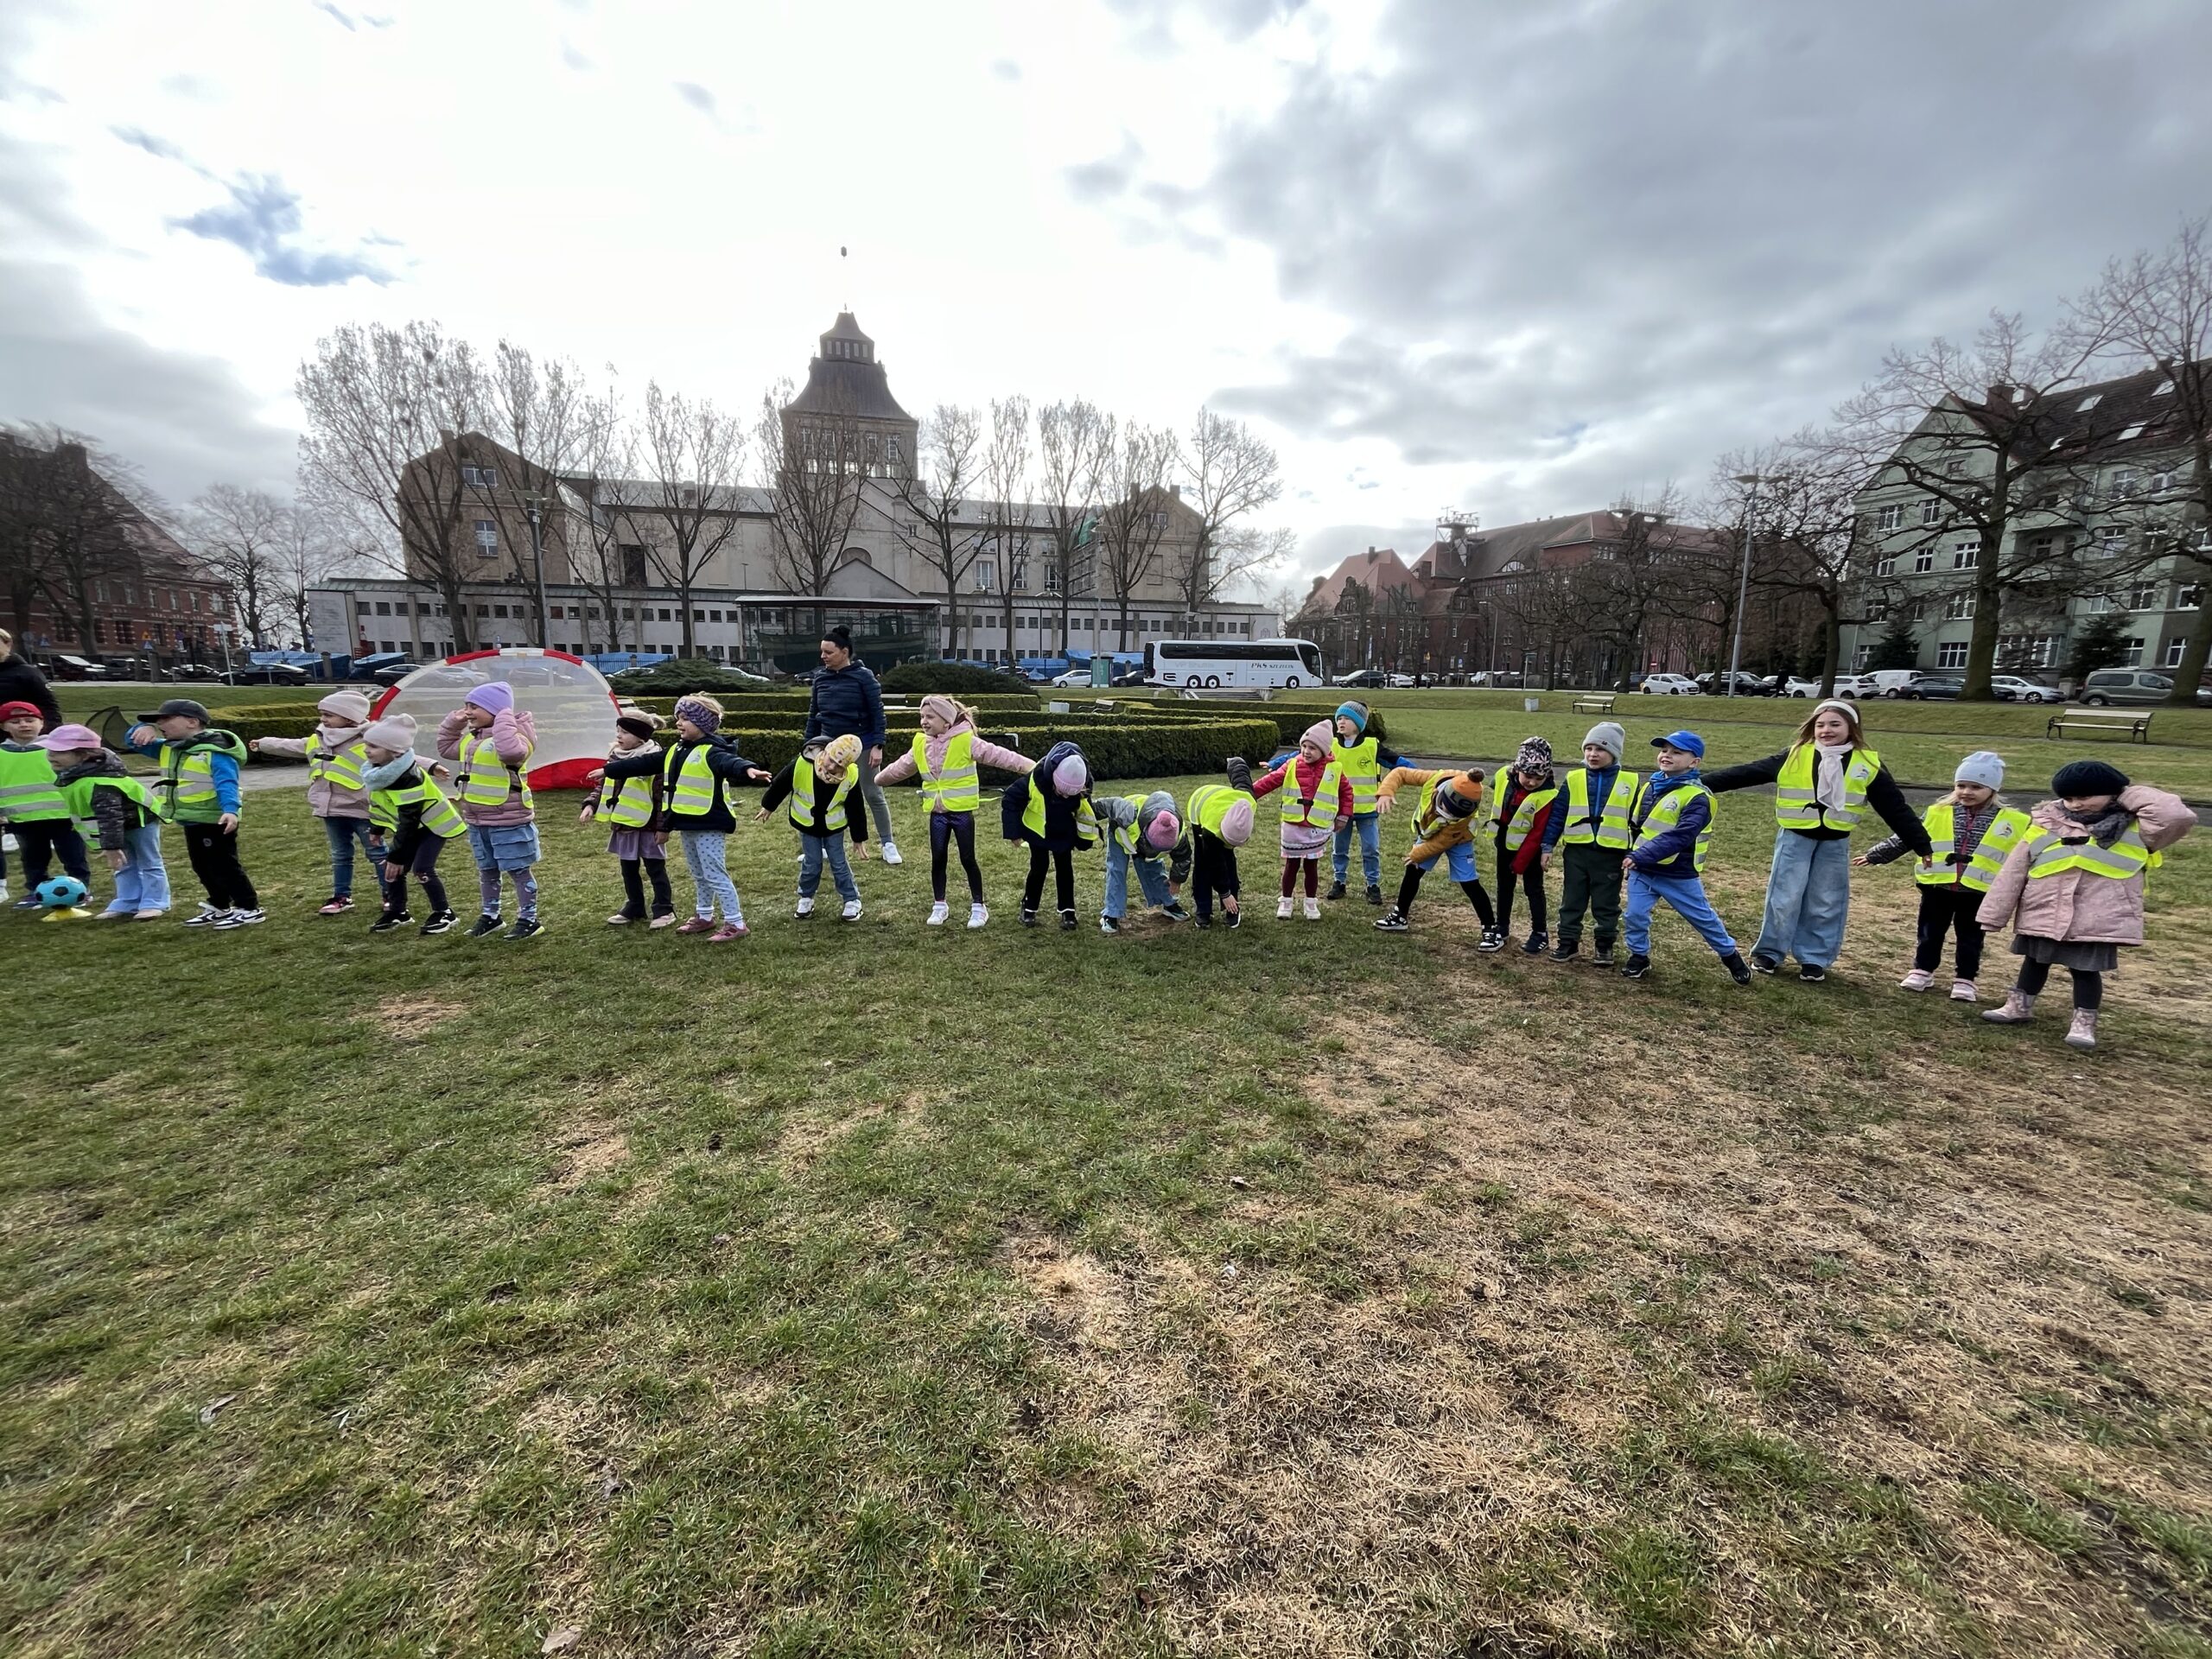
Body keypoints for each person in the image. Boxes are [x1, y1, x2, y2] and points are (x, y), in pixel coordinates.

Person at [1704, 698, 1930, 982]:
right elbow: (1745, 773)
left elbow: (1895, 808)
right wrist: (1696, 782)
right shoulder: (1795, 756)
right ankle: (1770, 952)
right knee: (1784, 898)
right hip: (1795, 839)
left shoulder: (1868, 764)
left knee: (1826, 901)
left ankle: (1814, 958)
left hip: (1835, 843)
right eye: (1820, 725)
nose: (1826, 730)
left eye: (1835, 724)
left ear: (1852, 727)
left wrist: (1920, 844)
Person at [1976, 760, 2197, 1050]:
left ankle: (2084, 1022)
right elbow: (2014, 870)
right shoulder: (2046, 822)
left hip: (2097, 917)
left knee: (2085, 971)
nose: (2076, 804)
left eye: (2084, 796)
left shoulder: (2138, 827)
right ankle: (2018, 1005)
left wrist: (2125, 793)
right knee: (2034, 961)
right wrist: (1994, 914)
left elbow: (2176, 815)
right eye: (2069, 798)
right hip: (2045, 910)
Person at [1854, 750, 2029, 1002]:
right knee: (1929, 932)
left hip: (1978, 891)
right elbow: (1910, 835)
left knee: (1971, 938)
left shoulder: (2015, 821)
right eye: (1961, 785)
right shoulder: (1938, 812)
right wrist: (1876, 855)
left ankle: (1965, 979)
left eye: (1976, 787)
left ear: (1993, 789)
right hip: (1938, 887)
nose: (1967, 792)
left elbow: (2027, 853)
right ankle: (1923, 970)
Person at [599, 693, 768, 942]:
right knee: (699, 874)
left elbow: (730, 762)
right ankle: (704, 916)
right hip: (687, 823)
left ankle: (736, 922)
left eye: (685, 718)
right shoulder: (677, 750)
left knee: (715, 874)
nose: (678, 722)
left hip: (709, 824)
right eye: (678, 717)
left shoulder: (711, 751)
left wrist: (748, 768)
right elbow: (645, 763)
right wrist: (609, 770)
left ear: (702, 723)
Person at [874, 693, 1033, 927]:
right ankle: (939, 905)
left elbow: (1000, 756)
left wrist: (1032, 767)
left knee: (968, 858)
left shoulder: (966, 741)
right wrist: (878, 780)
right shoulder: (920, 744)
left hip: (961, 814)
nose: (924, 721)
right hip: (937, 814)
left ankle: (979, 907)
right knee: (938, 859)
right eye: (922, 716)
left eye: (930, 717)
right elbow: (901, 767)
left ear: (946, 722)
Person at [1620, 730, 1752, 985]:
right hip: (1643, 869)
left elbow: (1681, 836)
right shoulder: (1650, 786)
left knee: (1702, 918)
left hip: (1677, 873)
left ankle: (1731, 956)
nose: (1667, 755)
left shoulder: (1698, 797)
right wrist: (1631, 853)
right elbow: (1635, 825)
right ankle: (1639, 956)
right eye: (1664, 750)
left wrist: (1641, 855)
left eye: (1677, 752)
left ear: (1694, 762)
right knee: (1634, 916)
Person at [248, 689, 389, 915]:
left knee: (377, 853)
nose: (323, 719)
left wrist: (430, 766)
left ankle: (391, 894)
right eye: (322, 714)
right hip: (330, 809)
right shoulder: (318, 739)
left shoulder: (371, 740)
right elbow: (291, 745)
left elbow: (402, 757)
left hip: (363, 809)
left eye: (329, 715)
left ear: (350, 718)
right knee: (340, 855)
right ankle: (341, 896)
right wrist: (265, 743)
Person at [126, 697, 260, 928]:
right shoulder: (170, 747)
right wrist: (142, 728)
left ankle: (249, 907)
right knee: (202, 866)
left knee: (224, 865)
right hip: (191, 819)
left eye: (166, 719)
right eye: (158, 721)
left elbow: (227, 782)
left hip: (215, 820)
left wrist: (231, 810)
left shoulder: (215, 751)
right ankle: (220, 904)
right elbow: (133, 742)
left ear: (192, 722)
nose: (160, 724)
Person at [436, 681, 543, 940]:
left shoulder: (518, 736)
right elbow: (445, 747)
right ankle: (491, 916)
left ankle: (529, 919)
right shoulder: (471, 740)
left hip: (509, 819)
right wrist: (453, 723)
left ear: (496, 709)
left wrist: (504, 718)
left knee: (518, 870)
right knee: (487, 870)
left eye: (474, 707)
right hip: (478, 819)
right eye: (466, 706)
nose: (468, 712)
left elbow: (510, 753)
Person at [41, 722, 168, 920]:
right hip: (118, 828)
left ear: (84, 755)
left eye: (59, 752)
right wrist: (112, 845)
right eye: (50, 751)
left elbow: (110, 816)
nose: (51, 756)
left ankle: (154, 903)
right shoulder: (73, 776)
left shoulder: (100, 782)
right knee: (123, 865)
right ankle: (127, 902)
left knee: (149, 862)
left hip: (141, 822)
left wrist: (112, 847)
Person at [1541, 721, 1637, 967]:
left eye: (1600, 749)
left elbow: (1637, 821)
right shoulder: (1574, 778)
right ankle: (1568, 942)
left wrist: (1633, 853)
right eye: (1589, 748)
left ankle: (1604, 945)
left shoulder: (1630, 782)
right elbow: (1558, 814)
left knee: (1607, 903)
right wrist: (1547, 846)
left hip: (1611, 855)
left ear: (1614, 753)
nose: (1593, 754)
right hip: (1577, 852)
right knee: (1572, 900)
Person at [359, 714, 465, 935]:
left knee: (422, 868)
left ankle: (444, 912)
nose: (366, 750)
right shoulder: (379, 773)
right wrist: (377, 829)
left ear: (395, 752)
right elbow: (379, 804)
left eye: (374, 746)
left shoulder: (408, 778)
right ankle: (398, 912)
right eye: (367, 744)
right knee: (392, 869)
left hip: (433, 827)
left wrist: (397, 856)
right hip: (412, 828)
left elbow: (410, 820)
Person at [804, 625, 899, 866]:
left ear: (844, 652)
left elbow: (878, 713)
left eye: (829, 652)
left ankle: (888, 845)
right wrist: (809, 746)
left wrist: (878, 745)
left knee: (873, 794)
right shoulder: (820, 678)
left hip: (862, 745)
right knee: (823, 796)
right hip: (828, 747)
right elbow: (814, 715)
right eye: (822, 652)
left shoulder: (864, 677)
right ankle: (822, 846)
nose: (823, 656)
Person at [758, 734, 871, 922]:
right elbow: (780, 784)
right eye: (831, 760)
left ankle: (852, 900)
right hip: (808, 825)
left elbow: (856, 807)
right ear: (825, 752)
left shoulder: (851, 775)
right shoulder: (801, 764)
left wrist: (858, 838)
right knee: (812, 863)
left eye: (839, 765)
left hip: (833, 827)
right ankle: (806, 897)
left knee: (839, 863)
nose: (832, 767)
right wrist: (768, 806)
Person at [581, 707, 677, 928]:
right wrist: (591, 804)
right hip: (624, 824)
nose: (619, 736)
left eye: (625, 732)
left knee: (655, 869)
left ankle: (664, 909)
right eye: (618, 731)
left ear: (641, 737)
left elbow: (663, 797)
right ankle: (634, 906)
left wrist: (663, 827)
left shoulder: (655, 761)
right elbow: (604, 786)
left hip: (649, 826)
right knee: (628, 869)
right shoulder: (615, 757)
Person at [1249, 721, 1354, 920]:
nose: (1306, 751)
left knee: (1311, 867)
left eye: (1312, 748)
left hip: (1316, 827)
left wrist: (1343, 815)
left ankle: (1311, 903)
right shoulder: (1292, 764)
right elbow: (1271, 781)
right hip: (1293, 826)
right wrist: (1249, 793)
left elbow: (1346, 792)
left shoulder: (1335, 769)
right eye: (1304, 746)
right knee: (1291, 865)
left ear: (1323, 750)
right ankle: (1286, 901)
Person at [1370, 766, 1491, 934]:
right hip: (1430, 833)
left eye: (1454, 814)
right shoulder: (1435, 778)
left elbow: (1443, 841)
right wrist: (1386, 791)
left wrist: (1417, 854)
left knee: (1469, 883)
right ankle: (1399, 916)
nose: (1448, 814)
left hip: (1459, 839)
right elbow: (1400, 773)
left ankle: (1490, 928)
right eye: (1446, 808)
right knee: (1413, 870)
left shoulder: (1464, 817)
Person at [1, 700, 91, 908]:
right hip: (23, 819)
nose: (24, 725)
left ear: (42, 723)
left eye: (30, 720)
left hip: (65, 816)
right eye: (15, 722)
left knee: (74, 857)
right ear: (4, 726)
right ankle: (36, 892)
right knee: (33, 860)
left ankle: (82, 891)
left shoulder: (59, 750)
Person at [1001, 739, 1097, 930]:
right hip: (1038, 832)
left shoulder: (1083, 785)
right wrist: (1013, 832)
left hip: (1064, 832)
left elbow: (1085, 813)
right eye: (1061, 792)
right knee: (1039, 867)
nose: (1065, 797)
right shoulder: (1034, 779)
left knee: (1065, 869)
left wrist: (1084, 840)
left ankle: (1068, 911)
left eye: (1070, 795)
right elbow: (1010, 799)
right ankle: (1029, 907)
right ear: (1053, 778)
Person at [1484, 736, 1559, 955]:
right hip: (1504, 843)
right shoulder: (1503, 775)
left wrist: (1519, 863)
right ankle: (1502, 927)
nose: (1532, 782)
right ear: (1517, 768)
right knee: (1504, 887)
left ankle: (1540, 933)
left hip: (1530, 850)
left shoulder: (1547, 796)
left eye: (1538, 778)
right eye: (1528, 776)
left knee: (1533, 889)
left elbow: (1537, 833)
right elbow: (1495, 785)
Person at [1326, 701, 1403, 905]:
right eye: (1339, 718)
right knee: (1339, 849)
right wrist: (1275, 763)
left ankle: (1372, 885)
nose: (1341, 722)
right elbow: (1301, 755)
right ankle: (1339, 882)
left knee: (1371, 849)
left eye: (1347, 718)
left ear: (1359, 724)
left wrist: (1421, 774)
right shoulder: (1331, 745)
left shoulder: (1372, 746)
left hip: (1368, 810)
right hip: (1341, 811)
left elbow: (1398, 763)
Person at [1096, 790, 1191, 933]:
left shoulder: (1178, 834)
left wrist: (1176, 879)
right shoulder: (1127, 812)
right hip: (1121, 832)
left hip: (1142, 840)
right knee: (1117, 870)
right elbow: (1105, 806)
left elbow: (1183, 858)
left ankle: (1169, 904)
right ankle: (1111, 914)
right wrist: (1080, 810)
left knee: (1153, 866)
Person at [1185, 779, 1255, 929]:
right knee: (1204, 863)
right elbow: (1215, 863)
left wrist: (1234, 765)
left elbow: (1241, 776)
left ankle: (1232, 909)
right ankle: (1203, 910)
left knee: (1228, 860)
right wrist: (1225, 893)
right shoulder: (1210, 833)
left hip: (1222, 808)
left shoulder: (1248, 804)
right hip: (1200, 808)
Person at [0, 629, 62, 728]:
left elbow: (49, 708)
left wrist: (46, 733)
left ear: (8, 644)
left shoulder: (28, 673)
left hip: (19, 733)